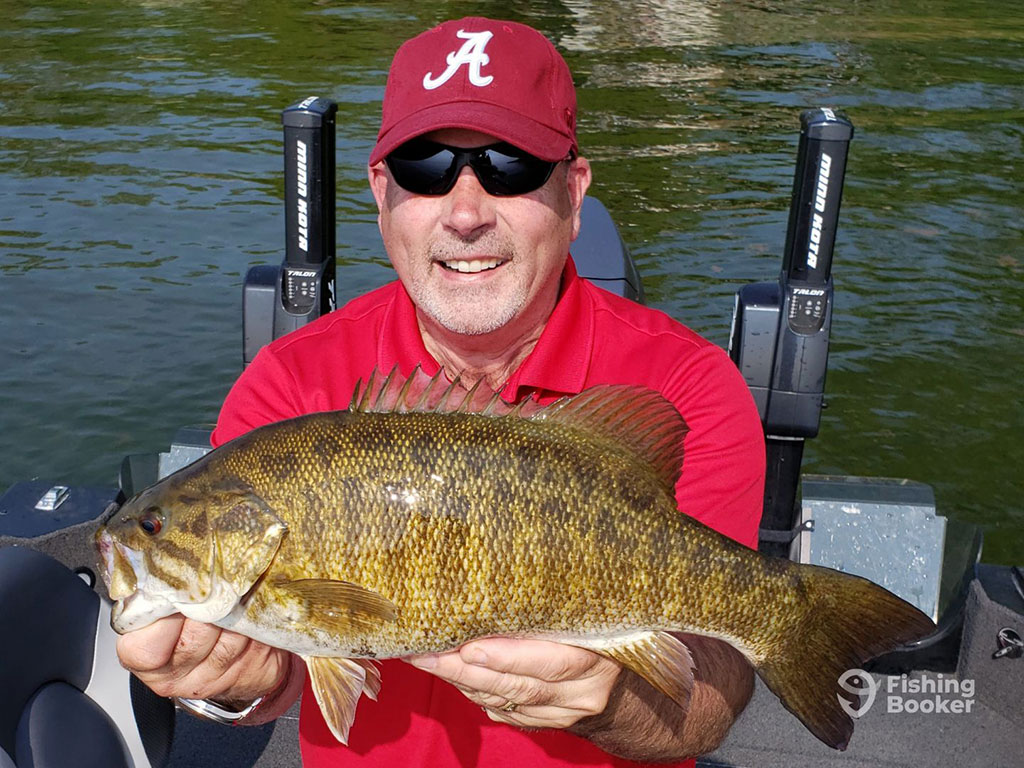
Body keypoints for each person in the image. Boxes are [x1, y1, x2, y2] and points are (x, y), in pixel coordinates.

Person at [116, 16, 765, 768]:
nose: (465, 211)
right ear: (382, 193)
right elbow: (288, 666)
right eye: (427, 166)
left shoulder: (688, 384)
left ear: (574, 192)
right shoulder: (291, 386)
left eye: (510, 164)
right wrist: (227, 686)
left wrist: (615, 702)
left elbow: (710, 702)